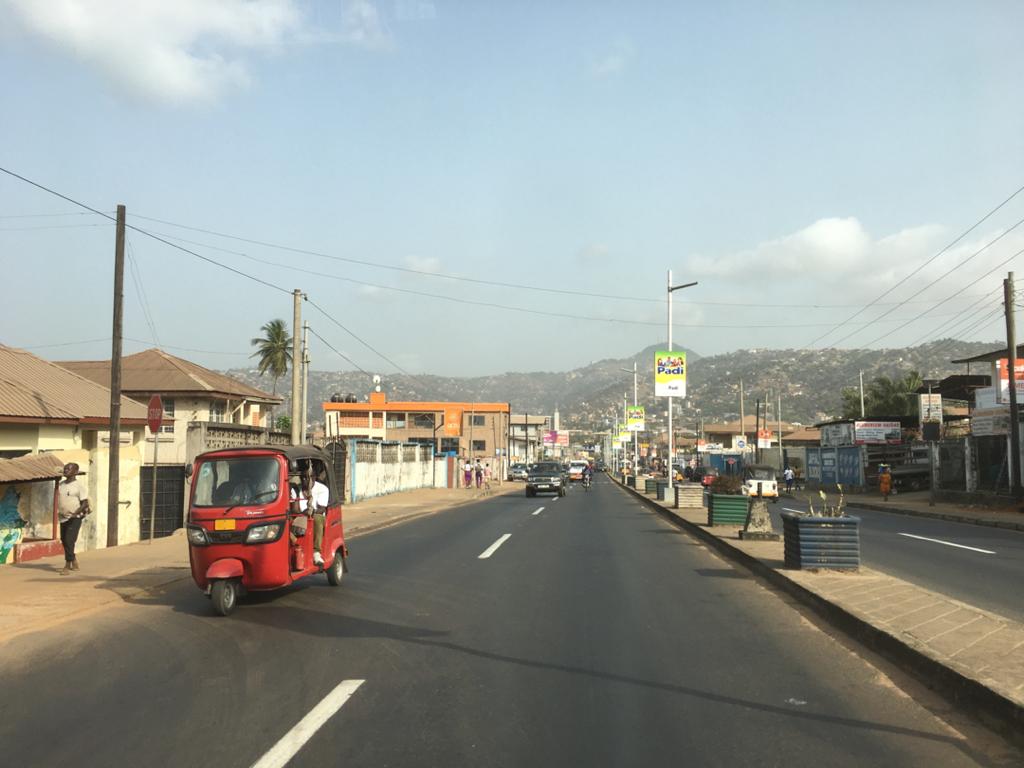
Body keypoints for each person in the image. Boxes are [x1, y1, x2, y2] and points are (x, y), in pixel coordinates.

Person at [290, 467, 330, 566]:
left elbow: (322, 509)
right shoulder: (296, 489)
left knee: (316, 518)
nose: (305, 480)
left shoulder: (322, 489)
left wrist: (311, 511)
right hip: (301, 515)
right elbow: (295, 509)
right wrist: (304, 513)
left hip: (315, 515)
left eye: (308, 477)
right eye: (303, 477)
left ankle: (316, 552)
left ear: (314, 477)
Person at [57, 462, 90, 575]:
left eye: (69, 469)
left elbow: (85, 503)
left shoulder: (79, 486)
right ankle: (73, 559)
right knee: (64, 540)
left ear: (75, 472)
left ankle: (67, 565)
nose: (66, 470)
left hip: (75, 517)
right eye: (65, 469)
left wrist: (75, 513)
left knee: (70, 540)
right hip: (63, 517)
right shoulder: (61, 485)